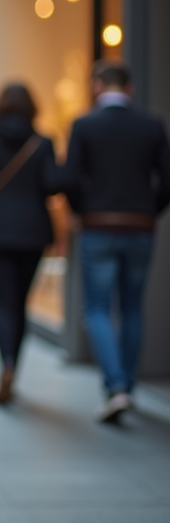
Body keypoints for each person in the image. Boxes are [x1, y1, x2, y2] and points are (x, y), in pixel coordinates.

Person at [63, 61, 170, 423]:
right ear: (130, 88)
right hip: (140, 228)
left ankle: (116, 387)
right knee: (132, 308)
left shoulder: (84, 125)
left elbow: (71, 179)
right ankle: (127, 387)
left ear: (96, 86)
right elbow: (167, 181)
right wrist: (149, 211)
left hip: (99, 226)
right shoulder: (151, 126)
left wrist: (82, 211)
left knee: (96, 309)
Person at [0, 83, 61, 405]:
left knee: (3, 303)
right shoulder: (42, 143)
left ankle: (5, 364)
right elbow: (51, 186)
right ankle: (13, 367)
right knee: (20, 304)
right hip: (33, 233)